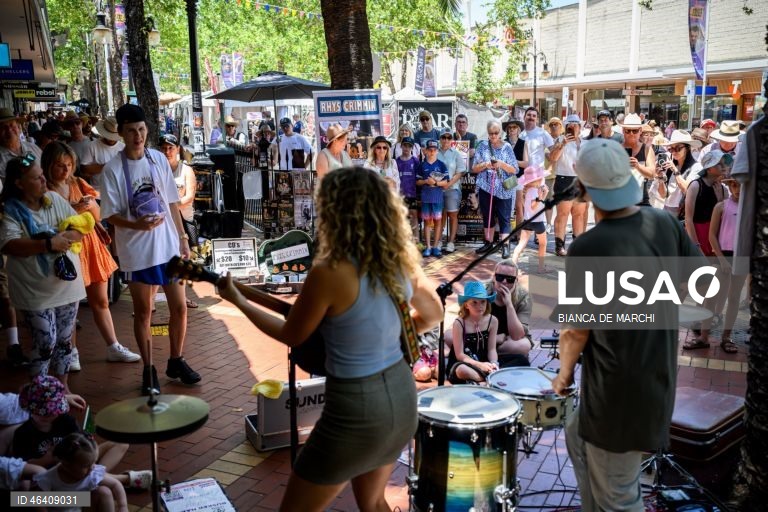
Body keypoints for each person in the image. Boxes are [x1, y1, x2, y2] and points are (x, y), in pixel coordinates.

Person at [216, 166, 443, 512]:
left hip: (355, 406)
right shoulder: (398, 261)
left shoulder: (329, 270)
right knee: (373, 503)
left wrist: (239, 301)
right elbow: (433, 314)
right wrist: (385, 334)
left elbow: (291, 334)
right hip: (401, 396)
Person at [551, 138, 701, 511]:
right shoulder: (664, 223)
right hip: (653, 382)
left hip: (616, 397)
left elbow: (575, 331)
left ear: (583, 189)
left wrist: (562, 376)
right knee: (576, 437)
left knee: (620, 497)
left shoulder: (587, 247)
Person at [99, 104, 199, 395]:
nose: (137, 136)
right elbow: (110, 214)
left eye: (141, 130)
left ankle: (176, 360)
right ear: (120, 133)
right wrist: (137, 225)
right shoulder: (113, 169)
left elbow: (170, 202)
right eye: (130, 131)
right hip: (137, 251)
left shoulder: (157, 159)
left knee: (180, 308)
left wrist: (183, 239)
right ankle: (148, 368)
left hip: (168, 247)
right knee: (144, 312)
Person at [42, 142, 140, 366]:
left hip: (90, 246)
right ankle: (71, 352)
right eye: (59, 166)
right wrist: (73, 211)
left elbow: (99, 215)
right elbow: (47, 223)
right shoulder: (44, 190)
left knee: (101, 300)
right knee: (70, 306)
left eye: (68, 165)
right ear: (48, 166)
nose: (65, 170)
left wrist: (90, 206)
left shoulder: (78, 183)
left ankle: (113, 345)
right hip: (67, 250)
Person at [0, 154, 86, 385]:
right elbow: (9, 244)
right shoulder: (10, 211)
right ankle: (38, 391)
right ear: (19, 183)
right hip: (34, 290)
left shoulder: (54, 199)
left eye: (42, 176)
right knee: (45, 342)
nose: (44, 181)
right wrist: (48, 243)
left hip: (66, 286)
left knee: (65, 341)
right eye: (36, 178)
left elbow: (79, 227)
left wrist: (63, 237)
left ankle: (62, 388)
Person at [0, 107, 41, 367]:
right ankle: (14, 343)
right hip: (7, 220)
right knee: (5, 281)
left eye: (12, 124)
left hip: (37, 220)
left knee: (36, 273)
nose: (9, 130)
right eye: (3, 127)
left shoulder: (32, 149)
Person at [694, 174, 745, 354]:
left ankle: (726, 337)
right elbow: (712, 236)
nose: (738, 190)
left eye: (741, 186)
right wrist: (722, 259)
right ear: (730, 186)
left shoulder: (750, 209)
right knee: (712, 296)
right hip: (722, 255)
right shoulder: (721, 206)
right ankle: (704, 335)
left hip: (741, 257)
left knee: (734, 297)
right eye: (734, 185)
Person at [34, 433, 129, 512]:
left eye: (93, 463)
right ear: (66, 464)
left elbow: (115, 485)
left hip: (81, 506)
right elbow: (35, 500)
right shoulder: (49, 477)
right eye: (86, 466)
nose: (92, 468)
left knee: (104, 492)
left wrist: (123, 506)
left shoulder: (91, 473)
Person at [159, 134, 199, 309]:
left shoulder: (186, 170)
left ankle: (184, 297)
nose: (167, 151)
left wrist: (170, 207)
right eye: (164, 148)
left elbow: (189, 197)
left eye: (171, 148)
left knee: (184, 260)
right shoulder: (158, 169)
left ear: (177, 149)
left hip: (183, 220)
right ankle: (155, 298)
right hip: (164, 223)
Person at [472, 119, 519, 259]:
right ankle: (488, 242)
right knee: (488, 215)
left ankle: (505, 245)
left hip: (504, 189)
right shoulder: (482, 146)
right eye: (491, 133)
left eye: (496, 133)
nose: (493, 135)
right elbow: (474, 168)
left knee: (504, 218)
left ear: (500, 133)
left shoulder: (507, 147)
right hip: (487, 187)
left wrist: (501, 164)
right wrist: (486, 165)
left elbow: (515, 169)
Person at [448, 281, 499, 384]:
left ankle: (483, 378)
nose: (479, 306)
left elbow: (492, 349)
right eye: (474, 302)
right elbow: (460, 355)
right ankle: (490, 379)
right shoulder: (459, 323)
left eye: (483, 302)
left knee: (519, 360)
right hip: (464, 362)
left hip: (484, 361)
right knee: (462, 370)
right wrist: (480, 365)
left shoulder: (492, 321)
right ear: (466, 305)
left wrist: (494, 363)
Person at [551, 114, 586, 256]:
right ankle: (559, 246)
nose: (572, 128)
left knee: (579, 214)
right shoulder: (560, 140)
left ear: (579, 127)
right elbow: (553, 158)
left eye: (575, 125)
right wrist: (563, 144)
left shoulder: (584, 143)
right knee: (563, 213)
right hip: (564, 179)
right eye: (569, 125)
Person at [511, 166, 550, 273]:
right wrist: (542, 196)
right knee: (543, 244)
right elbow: (534, 205)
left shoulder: (529, 190)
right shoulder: (534, 191)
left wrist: (544, 194)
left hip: (527, 221)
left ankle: (513, 264)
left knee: (521, 244)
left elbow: (535, 204)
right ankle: (541, 267)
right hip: (537, 222)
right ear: (536, 180)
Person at [416, 140, 449, 257]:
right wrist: (426, 181)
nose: (432, 152)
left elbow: (446, 182)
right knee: (427, 223)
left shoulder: (441, 165)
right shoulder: (422, 165)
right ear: (426, 151)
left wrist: (435, 183)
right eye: (430, 150)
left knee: (438, 222)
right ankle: (428, 247)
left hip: (437, 198)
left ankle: (435, 247)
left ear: (437, 151)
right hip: (425, 198)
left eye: (434, 150)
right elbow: (418, 181)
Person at [660, 130, 702, 218]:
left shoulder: (696, 167)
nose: (674, 152)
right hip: (666, 209)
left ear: (687, 148)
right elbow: (663, 195)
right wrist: (660, 177)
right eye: (671, 148)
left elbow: (687, 189)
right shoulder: (670, 165)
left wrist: (675, 171)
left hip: (683, 212)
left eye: (678, 148)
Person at [437, 128, 466, 253]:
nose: (446, 140)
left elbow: (460, 172)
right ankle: (439, 241)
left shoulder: (456, 153)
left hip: (452, 188)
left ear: (452, 140)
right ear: (440, 139)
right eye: (444, 137)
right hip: (437, 189)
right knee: (440, 216)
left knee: (453, 215)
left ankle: (451, 242)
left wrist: (448, 184)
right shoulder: (434, 152)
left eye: (449, 138)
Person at [80, 117, 125, 191]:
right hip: (98, 192)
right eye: (108, 135)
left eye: (113, 136)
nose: (111, 139)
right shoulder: (92, 146)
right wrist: (110, 166)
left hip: (119, 191)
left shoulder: (123, 147)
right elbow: (84, 169)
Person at [620, 113, 656, 207]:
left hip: (641, 202)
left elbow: (652, 174)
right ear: (623, 131)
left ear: (640, 131)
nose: (631, 134)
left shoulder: (646, 149)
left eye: (635, 131)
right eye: (628, 130)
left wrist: (637, 166)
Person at [395, 137, 420, 240]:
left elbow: (419, 179)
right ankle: (403, 241)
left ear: (412, 147)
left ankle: (416, 240)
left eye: (409, 146)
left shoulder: (415, 161)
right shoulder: (396, 161)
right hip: (400, 195)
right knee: (401, 217)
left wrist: (419, 195)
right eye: (405, 145)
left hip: (412, 194)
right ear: (401, 146)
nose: (406, 148)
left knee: (414, 216)